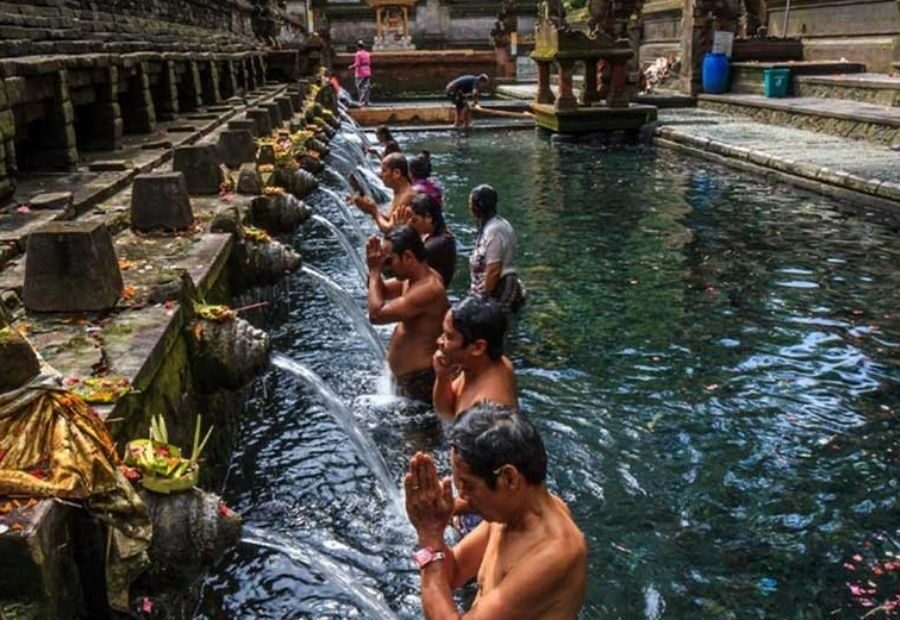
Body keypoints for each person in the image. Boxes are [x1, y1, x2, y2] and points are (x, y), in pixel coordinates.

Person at [404, 402, 588, 619]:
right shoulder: (509, 514)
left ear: (509, 478)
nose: (461, 496)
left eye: (468, 486)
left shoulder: (554, 554)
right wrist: (435, 525)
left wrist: (430, 536)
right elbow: (453, 573)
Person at [366, 226, 449, 404]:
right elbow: (380, 290)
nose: (387, 267)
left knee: (418, 433)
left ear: (408, 257)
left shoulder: (428, 289)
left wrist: (374, 272)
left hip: (418, 382)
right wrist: (375, 268)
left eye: (390, 261)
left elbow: (376, 315)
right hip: (406, 380)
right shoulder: (412, 280)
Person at [432, 296, 517, 421]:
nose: (439, 341)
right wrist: (443, 376)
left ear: (478, 347)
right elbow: (446, 414)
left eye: (449, 336)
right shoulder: (482, 363)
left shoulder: (485, 413)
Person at [467, 184, 525, 314]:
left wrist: (483, 299)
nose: (470, 208)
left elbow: (494, 269)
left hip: (499, 288)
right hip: (493, 286)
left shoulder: (495, 230)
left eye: (471, 203)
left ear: (478, 206)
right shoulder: (491, 226)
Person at [351, 152, 415, 233]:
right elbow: (389, 218)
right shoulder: (399, 192)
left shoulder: (407, 196)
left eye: (384, 170)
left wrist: (374, 211)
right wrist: (368, 208)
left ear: (396, 173)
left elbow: (390, 229)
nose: (380, 175)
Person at [408, 193, 456, 287]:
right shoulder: (440, 233)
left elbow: (406, 265)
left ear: (428, 218)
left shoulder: (437, 244)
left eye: (414, 220)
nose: (410, 224)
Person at [349, 40, 371, 106]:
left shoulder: (358, 54)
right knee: (366, 87)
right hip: (367, 71)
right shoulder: (367, 54)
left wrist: (351, 66)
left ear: (358, 47)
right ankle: (366, 101)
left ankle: (361, 101)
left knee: (360, 87)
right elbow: (369, 63)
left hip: (360, 72)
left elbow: (357, 64)